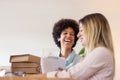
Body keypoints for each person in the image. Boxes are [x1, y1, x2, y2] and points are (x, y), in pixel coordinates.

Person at [46, 13, 115, 80]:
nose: (78, 35)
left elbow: (70, 75)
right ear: (58, 37)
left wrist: (41, 76)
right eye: (65, 33)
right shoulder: (50, 58)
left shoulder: (100, 52)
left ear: (92, 31)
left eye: (81, 30)